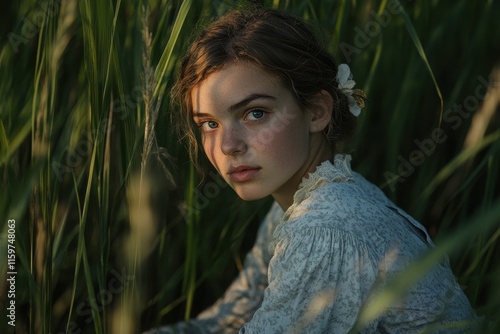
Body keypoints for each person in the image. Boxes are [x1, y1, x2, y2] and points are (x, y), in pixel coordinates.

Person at [145, 6, 479, 333]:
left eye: (255, 113)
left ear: (317, 112)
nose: (228, 146)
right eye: (209, 123)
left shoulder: (324, 229)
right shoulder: (295, 207)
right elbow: (235, 311)